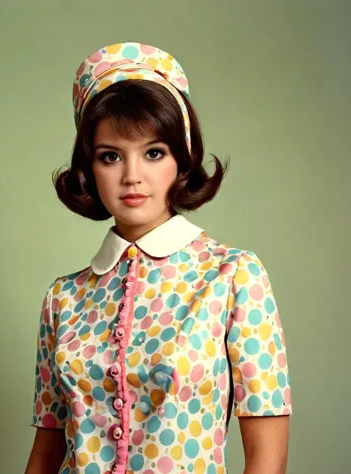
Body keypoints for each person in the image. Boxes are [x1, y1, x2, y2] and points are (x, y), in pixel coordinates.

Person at [25, 41, 292, 474]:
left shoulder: (233, 276)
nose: (132, 176)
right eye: (110, 156)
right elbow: (45, 454)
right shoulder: (63, 299)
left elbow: (268, 459)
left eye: (154, 153)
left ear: (181, 160)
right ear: (89, 169)